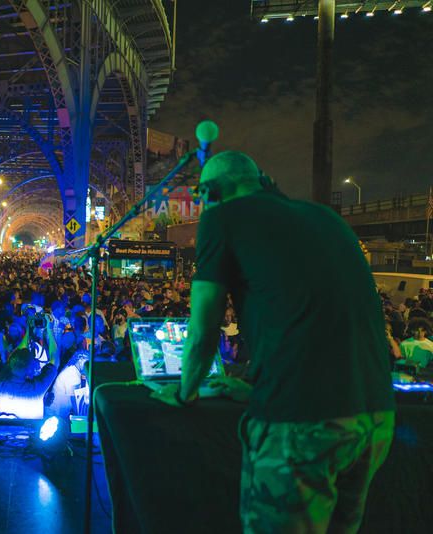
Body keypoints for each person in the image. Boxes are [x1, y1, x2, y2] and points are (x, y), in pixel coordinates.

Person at [152, 151, 395, 533]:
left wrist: (186, 391)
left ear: (211, 192)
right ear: (264, 179)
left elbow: (203, 327)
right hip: (375, 416)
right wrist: (251, 390)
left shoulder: (222, 217)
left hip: (302, 424)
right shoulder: (328, 218)